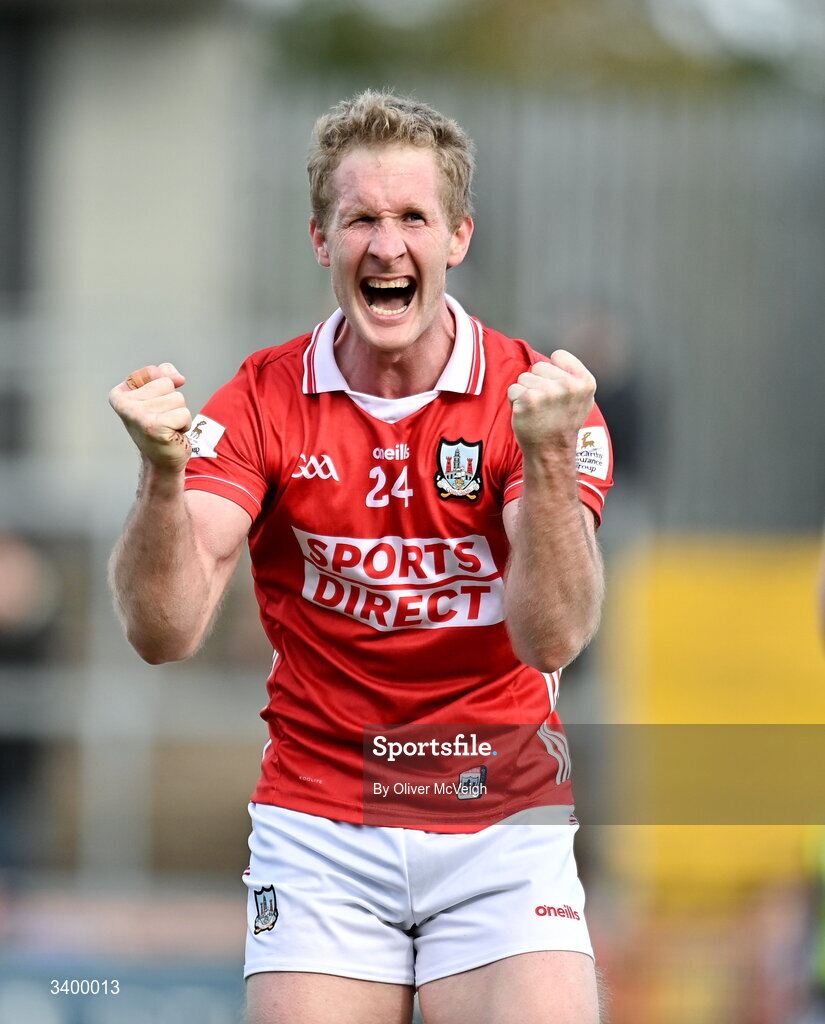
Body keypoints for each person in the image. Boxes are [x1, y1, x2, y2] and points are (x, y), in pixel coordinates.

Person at [108, 91, 614, 1024]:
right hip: (322, 826)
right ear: (319, 240)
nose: (386, 246)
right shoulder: (261, 399)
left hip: (498, 822)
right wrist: (160, 478)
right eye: (360, 220)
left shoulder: (532, 401)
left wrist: (546, 460)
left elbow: (552, 637)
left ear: (457, 237)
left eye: (412, 217)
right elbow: (163, 631)